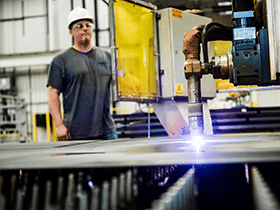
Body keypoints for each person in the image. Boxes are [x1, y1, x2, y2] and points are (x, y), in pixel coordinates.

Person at [47, 7, 117, 141]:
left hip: (107, 131)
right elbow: (53, 93)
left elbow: (120, 81)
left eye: (88, 25)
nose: (85, 28)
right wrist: (59, 125)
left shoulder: (107, 57)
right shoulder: (61, 60)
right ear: (71, 31)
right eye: (80, 25)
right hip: (75, 133)